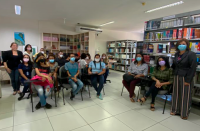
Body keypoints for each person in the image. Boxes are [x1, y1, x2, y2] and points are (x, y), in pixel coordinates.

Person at [171, 38, 197, 120]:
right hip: (176, 76)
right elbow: (175, 65)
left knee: (185, 95)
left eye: (184, 44)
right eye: (180, 44)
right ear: (178, 46)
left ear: (187, 45)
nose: (182, 45)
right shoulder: (176, 54)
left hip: (185, 77)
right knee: (176, 93)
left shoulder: (191, 54)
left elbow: (193, 68)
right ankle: (175, 110)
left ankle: (184, 113)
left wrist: (188, 80)